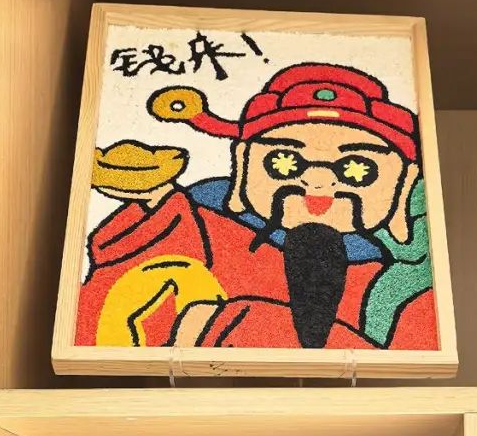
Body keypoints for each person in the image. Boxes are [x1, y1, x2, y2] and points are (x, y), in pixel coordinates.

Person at [77, 63, 437, 351]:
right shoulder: (201, 225)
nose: (317, 183)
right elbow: (103, 317)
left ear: (404, 181)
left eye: (357, 168)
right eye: (284, 162)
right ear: (243, 162)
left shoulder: (395, 284)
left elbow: (394, 363)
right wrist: (154, 209)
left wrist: (228, 323)